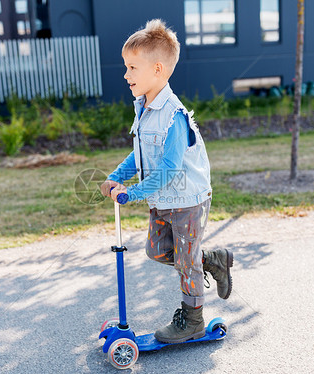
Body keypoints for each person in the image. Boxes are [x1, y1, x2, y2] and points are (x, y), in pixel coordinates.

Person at [100, 19, 233, 344]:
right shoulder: (145, 109)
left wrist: (131, 193)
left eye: (132, 68)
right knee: (157, 251)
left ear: (157, 69)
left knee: (186, 265)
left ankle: (192, 322)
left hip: (187, 199)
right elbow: (142, 155)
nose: (126, 75)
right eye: (126, 67)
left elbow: (170, 169)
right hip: (163, 199)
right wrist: (116, 177)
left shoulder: (173, 116)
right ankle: (212, 260)